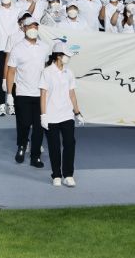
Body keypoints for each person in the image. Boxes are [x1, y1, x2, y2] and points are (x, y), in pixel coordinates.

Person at [6, 17, 50, 168]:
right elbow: (11, 72)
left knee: (39, 127)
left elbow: (47, 68)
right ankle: (22, 145)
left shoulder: (45, 47)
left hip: (40, 94)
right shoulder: (17, 48)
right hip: (23, 93)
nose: (33, 29)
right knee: (24, 124)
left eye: (35, 26)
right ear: (24, 29)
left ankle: (35, 156)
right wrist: (9, 94)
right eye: (30, 26)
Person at [39, 41, 84, 187]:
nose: (68, 58)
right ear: (58, 56)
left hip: (66, 115)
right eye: (66, 55)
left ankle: (68, 175)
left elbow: (72, 94)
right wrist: (43, 115)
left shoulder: (69, 72)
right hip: (51, 116)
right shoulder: (47, 72)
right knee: (54, 146)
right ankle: (56, 174)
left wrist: (77, 112)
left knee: (70, 143)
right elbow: (43, 94)